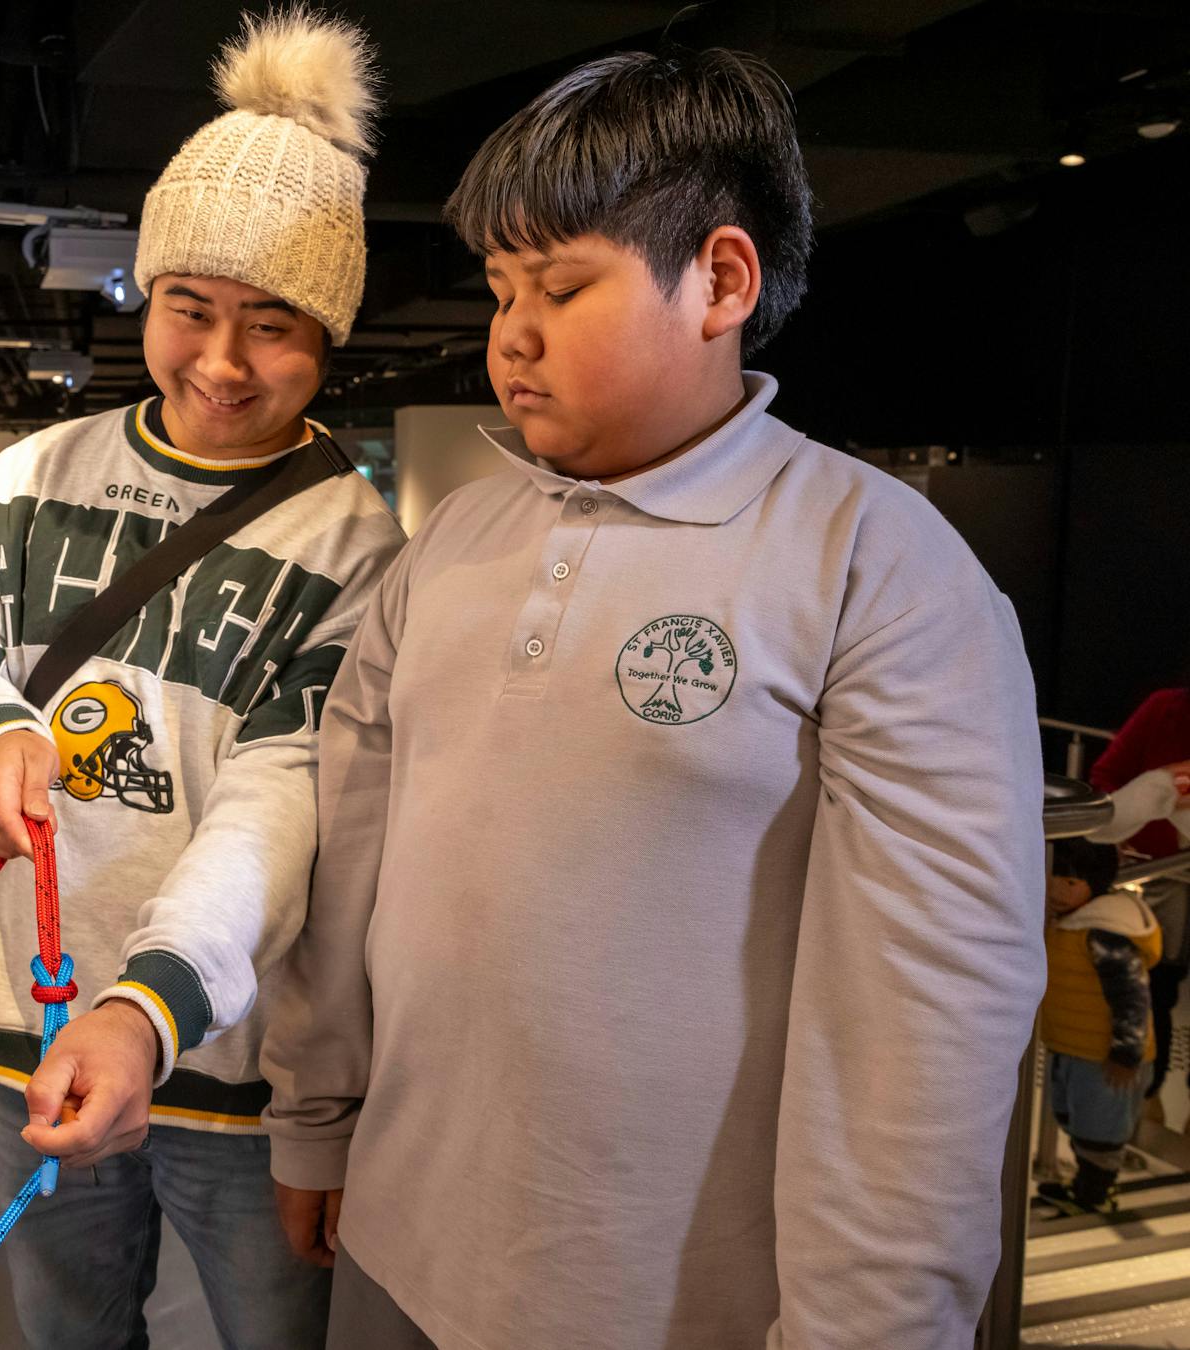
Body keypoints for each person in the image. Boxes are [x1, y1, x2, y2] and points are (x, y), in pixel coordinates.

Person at [262, 48, 1045, 1348]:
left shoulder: (879, 564)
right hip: (394, 1242)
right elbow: (354, 852)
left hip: (666, 1305)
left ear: (721, 282)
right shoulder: (453, 539)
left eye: (563, 286)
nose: (511, 332)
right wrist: (316, 1113)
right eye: (503, 288)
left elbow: (926, 1022)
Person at [0, 11, 402, 1347]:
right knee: (71, 1330)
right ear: (152, 294)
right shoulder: (33, 477)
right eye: (192, 310)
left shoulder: (354, 547)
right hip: (25, 1035)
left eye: (271, 326)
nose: (222, 363)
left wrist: (148, 1007)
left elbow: (283, 802)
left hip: (231, 1068)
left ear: (328, 338)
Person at [1038, 837, 1161, 1214]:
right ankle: (1084, 1187)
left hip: (1106, 1055)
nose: (1057, 888)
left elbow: (1131, 998)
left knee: (1101, 1131)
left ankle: (1095, 1196)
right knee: (1078, 1119)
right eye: (1053, 876)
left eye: (1070, 881)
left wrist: (1126, 1053)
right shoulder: (1068, 923)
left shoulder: (1105, 931)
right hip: (1074, 1046)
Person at [1090, 673, 1190, 1102]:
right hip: (1157, 878)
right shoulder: (1166, 709)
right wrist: (1137, 808)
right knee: (1155, 991)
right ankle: (1145, 1102)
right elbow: (1105, 777)